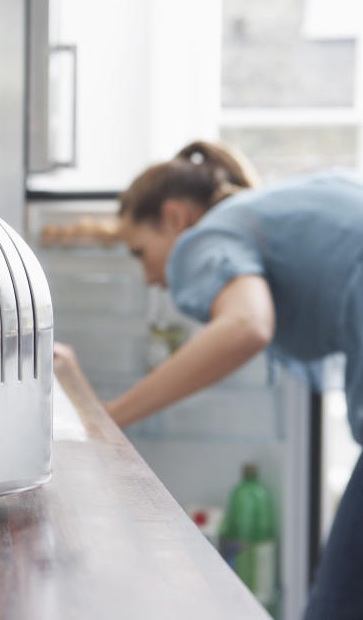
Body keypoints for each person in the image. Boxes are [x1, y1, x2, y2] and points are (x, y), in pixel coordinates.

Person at [52, 140, 363, 620]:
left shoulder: (205, 237)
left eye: (141, 252)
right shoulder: (273, 208)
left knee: (337, 606)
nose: (151, 277)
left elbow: (247, 326)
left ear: (176, 218)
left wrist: (106, 422)